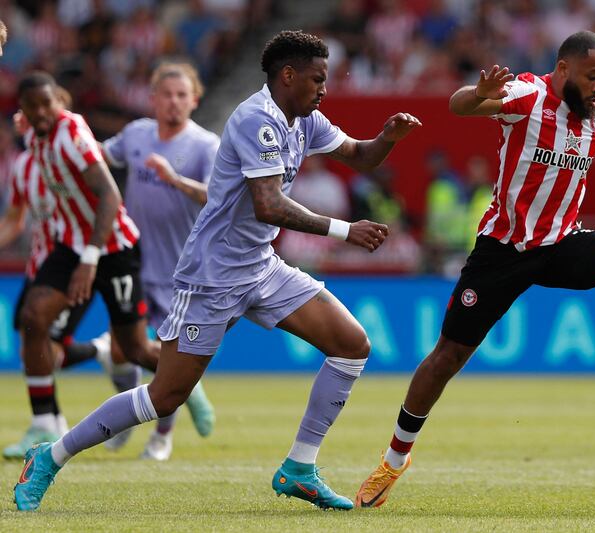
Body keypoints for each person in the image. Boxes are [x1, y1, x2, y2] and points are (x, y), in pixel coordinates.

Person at [14, 30, 421, 512]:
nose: (324, 88)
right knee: (165, 397)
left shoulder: (304, 118)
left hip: (261, 267)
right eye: (317, 79)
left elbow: (360, 154)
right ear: (287, 76)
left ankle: (299, 469)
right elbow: (268, 205)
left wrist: (387, 139)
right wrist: (343, 229)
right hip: (212, 275)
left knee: (352, 346)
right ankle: (50, 456)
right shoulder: (257, 120)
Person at [355, 30, 595, 508]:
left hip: (562, 242)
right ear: (563, 70)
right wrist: (478, 94)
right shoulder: (527, 95)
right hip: (502, 250)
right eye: (592, 75)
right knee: (447, 359)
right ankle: (394, 460)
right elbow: (461, 106)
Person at [1, 88, 140, 459]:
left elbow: (105, 192)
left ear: (61, 104)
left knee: (63, 346)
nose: (40, 113)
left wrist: (90, 256)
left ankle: (179, 377)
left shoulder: (73, 138)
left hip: (93, 252)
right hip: (52, 260)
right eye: (31, 107)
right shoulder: (24, 160)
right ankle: (48, 421)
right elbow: (14, 221)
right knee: (35, 332)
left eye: (48, 104)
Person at [101, 62, 219, 461]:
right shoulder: (136, 134)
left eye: (181, 95)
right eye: (166, 94)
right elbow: (98, 157)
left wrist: (174, 179)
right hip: (131, 262)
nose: (173, 102)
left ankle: (161, 437)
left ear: (194, 100)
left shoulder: (205, 145)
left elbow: (221, 197)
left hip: (181, 271)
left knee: (169, 362)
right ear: (152, 99)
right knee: (121, 350)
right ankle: (123, 421)